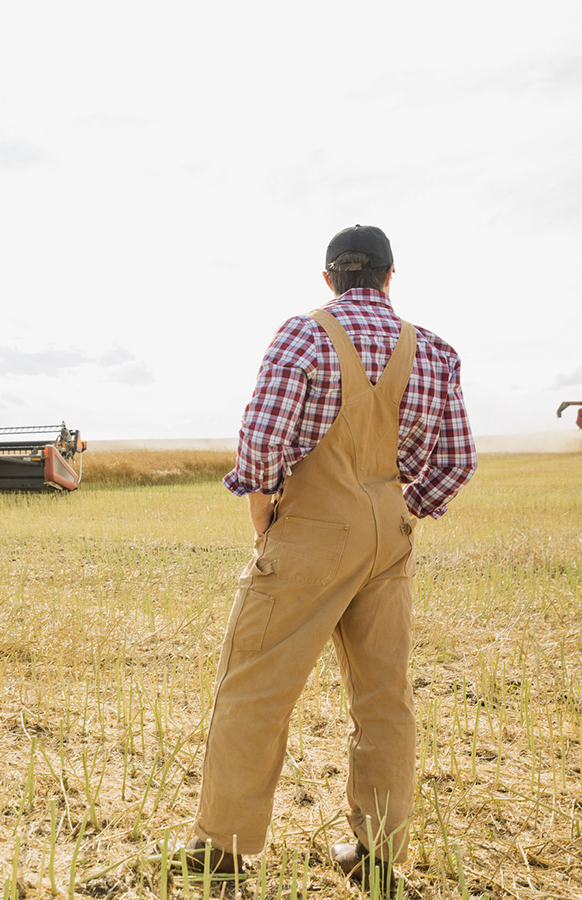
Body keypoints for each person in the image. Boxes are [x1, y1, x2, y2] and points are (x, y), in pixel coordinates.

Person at [176, 225, 476, 891]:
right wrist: (404, 509)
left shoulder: (304, 334)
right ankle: (377, 853)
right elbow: (457, 461)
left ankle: (220, 848)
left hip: (310, 529)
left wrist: (263, 510)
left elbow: (260, 442)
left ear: (328, 279)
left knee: (254, 684)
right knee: (384, 696)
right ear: (391, 278)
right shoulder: (432, 350)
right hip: (388, 533)